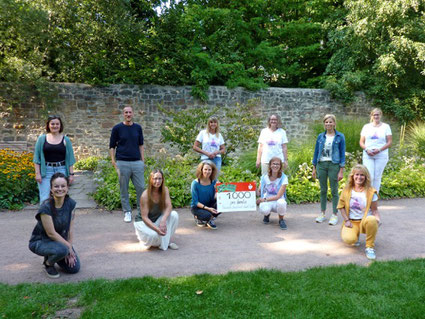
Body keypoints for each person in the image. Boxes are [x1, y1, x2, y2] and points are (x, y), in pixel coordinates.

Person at [29, 172, 80, 278]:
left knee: (74, 268)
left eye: (63, 186)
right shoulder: (45, 208)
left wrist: (70, 248)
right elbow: (51, 233)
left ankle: (55, 253)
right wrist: (68, 247)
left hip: (60, 241)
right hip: (41, 241)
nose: (60, 189)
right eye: (56, 186)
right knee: (63, 250)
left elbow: (70, 229)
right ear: (51, 189)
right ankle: (48, 263)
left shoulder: (71, 204)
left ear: (67, 188)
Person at [109, 106, 145, 223]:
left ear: (133, 114)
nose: (128, 114)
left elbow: (141, 145)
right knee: (124, 189)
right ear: (123, 114)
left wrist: (142, 161)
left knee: (141, 187)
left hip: (136, 162)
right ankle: (127, 212)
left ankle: (141, 212)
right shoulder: (117, 128)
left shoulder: (138, 128)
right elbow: (112, 146)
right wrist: (113, 161)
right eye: (126, 112)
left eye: (130, 112)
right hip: (122, 162)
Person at [337, 164, 381, 260]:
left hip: (365, 220)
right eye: (357, 174)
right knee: (349, 240)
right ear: (353, 176)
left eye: (362, 175)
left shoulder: (371, 192)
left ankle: (369, 247)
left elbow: (374, 210)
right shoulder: (347, 190)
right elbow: (341, 207)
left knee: (372, 220)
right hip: (352, 221)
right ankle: (355, 236)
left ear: (366, 177)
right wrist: (347, 220)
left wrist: (377, 219)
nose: (359, 177)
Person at [33, 115, 76, 203]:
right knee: (45, 198)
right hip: (46, 171)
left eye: (57, 124)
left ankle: (60, 216)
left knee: (61, 197)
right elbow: (37, 158)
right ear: (48, 125)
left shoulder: (66, 140)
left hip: (62, 169)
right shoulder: (42, 139)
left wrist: (71, 175)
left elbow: (70, 159)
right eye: (52, 124)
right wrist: (37, 173)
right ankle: (45, 216)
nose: (55, 126)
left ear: (60, 126)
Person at [312, 114, 346, 225]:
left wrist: (341, 170)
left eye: (330, 122)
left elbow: (342, 154)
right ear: (324, 124)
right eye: (326, 122)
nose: (328, 124)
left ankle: (334, 214)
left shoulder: (340, 137)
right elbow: (316, 152)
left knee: (334, 190)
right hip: (321, 164)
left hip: (334, 165)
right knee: (323, 190)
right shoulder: (320, 136)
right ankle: (322, 213)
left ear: (334, 123)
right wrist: (314, 168)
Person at [134, 170, 179, 250]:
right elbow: (144, 217)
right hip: (143, 222)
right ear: (151, 180)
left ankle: (163, 242)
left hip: (157, 219)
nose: (157, 181)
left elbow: (169, 206)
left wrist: (163, 220)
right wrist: (157, 229)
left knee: (174, 215)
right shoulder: (145, 195)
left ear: (162, 180)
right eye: (155, 179)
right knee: (153, 235)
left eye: (160, 179)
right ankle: (145, 239)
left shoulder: (165, 190)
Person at [360, 108, 392, 193]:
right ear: (371, 116)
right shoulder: (366, 127)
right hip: (368, 155)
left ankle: (374, 197)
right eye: (374, 115)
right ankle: (367, 196)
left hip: (381, 155)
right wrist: (367, 150)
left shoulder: (386, 127)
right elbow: (361, 142)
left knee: (377, 177)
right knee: (369, 176)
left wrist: (379, 150)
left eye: (378, 114)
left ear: (380, 115)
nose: (376, 116)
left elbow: (389, 142)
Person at [256, 157, 289, 230]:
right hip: (267, 200)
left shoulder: (284, 178)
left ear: (280, 166)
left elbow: (278, 196)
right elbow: (259, 192)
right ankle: (266, 215)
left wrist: (263, 200)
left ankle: (281, 219)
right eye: (273, 163)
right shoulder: (264, 177)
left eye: (278, 164)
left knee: (282, 203)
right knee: (264, 209)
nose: (275, 166)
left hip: (277, 200)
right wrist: (253, 187)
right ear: (270, 165)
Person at [191, 161, 220, 229]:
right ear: (201, 170)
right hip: (197, 207)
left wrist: (217, 190)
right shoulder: (195, 183)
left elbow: (216, 198)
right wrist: (208, 209)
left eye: (209, 170)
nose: (207, 172)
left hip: (209, 204)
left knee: (222, 204)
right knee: (207, 215)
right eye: (205, 169)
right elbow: (195, 202)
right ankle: (198, 217)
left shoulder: (215, 182)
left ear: (212, 171)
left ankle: (210, 219)